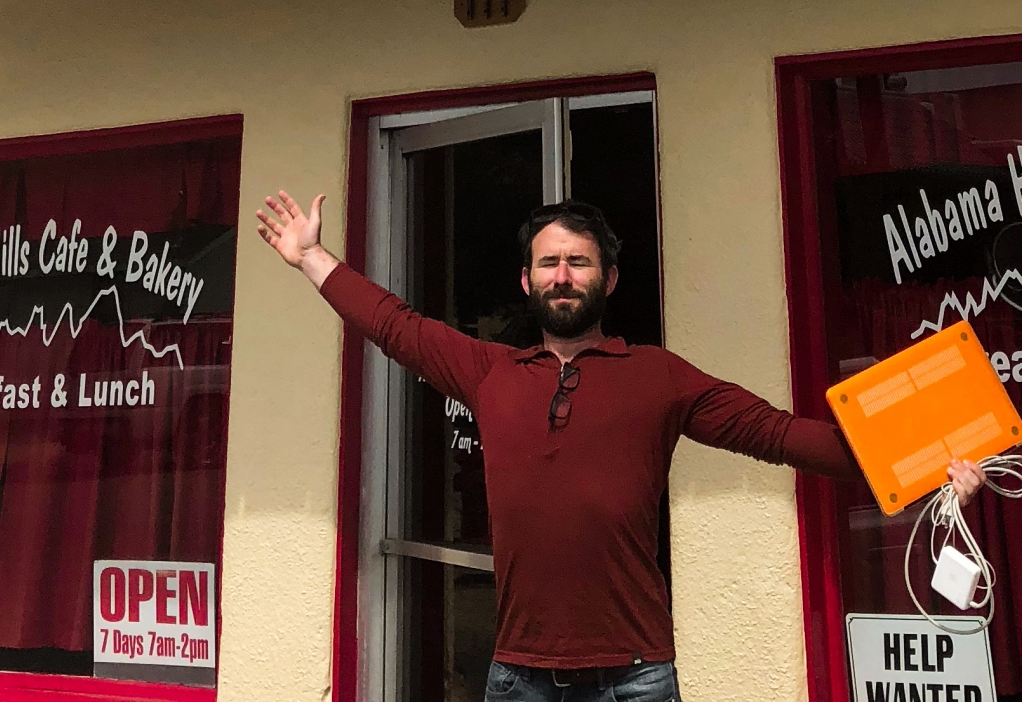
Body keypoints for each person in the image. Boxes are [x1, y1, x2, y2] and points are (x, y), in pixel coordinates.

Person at [257, 187, 981, 702]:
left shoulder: (659, 378)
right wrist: (312, 258)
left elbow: (779, 433)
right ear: (526, 280)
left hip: (634, 676)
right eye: (549, 263)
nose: (563, 276)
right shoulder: (491, 372)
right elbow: (394, 325)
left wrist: (928, 460)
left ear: (608, 278)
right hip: (517, 675)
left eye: (578, 262)